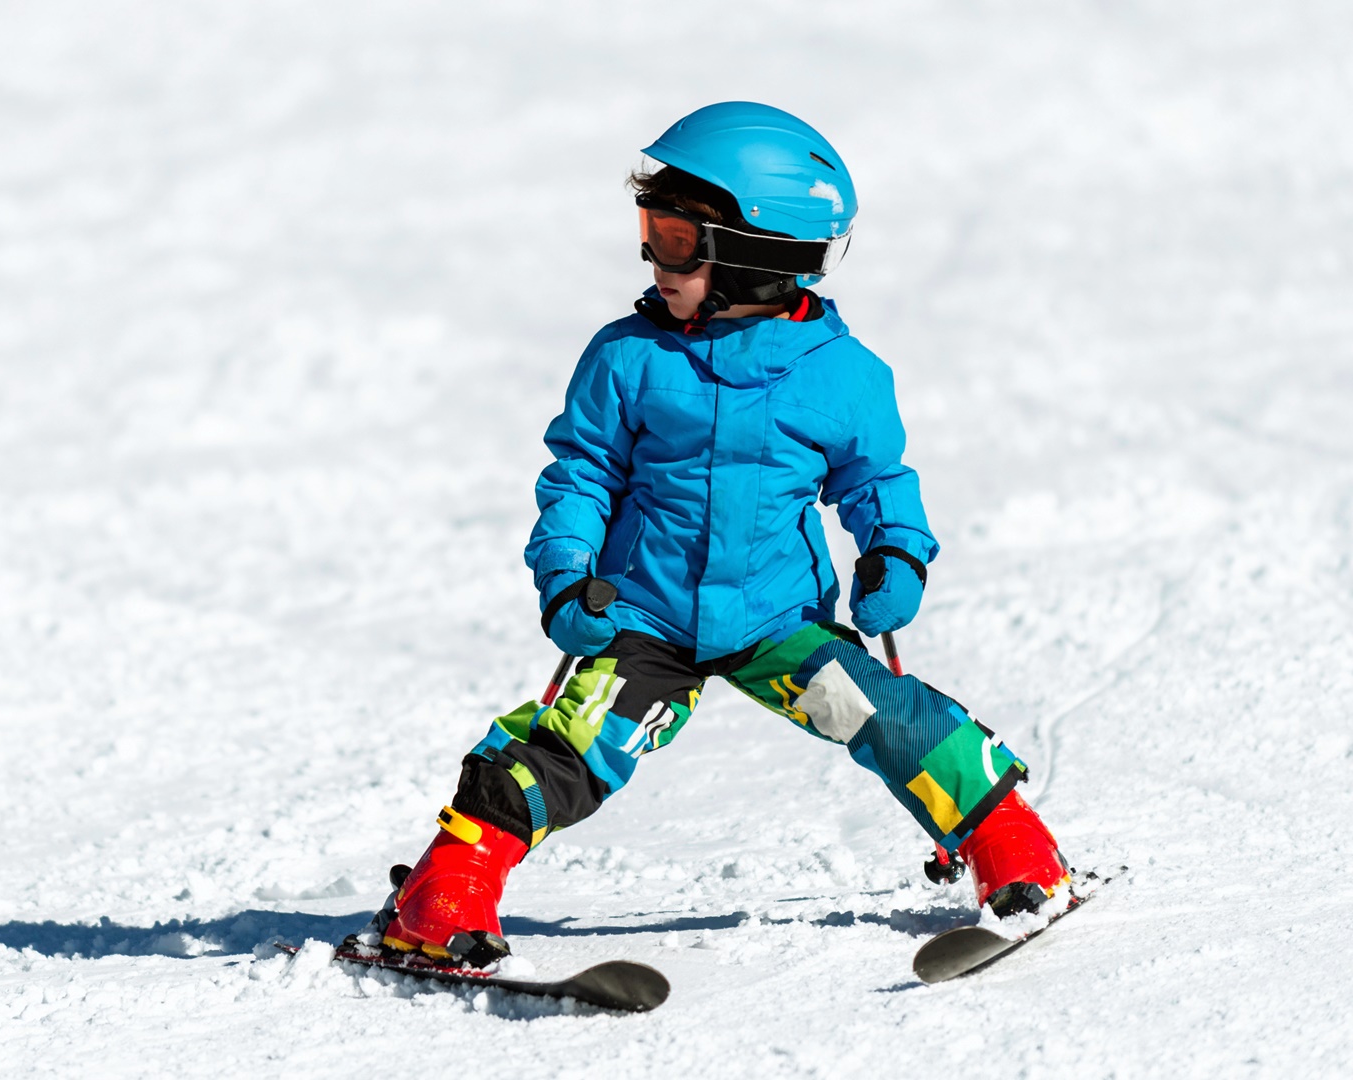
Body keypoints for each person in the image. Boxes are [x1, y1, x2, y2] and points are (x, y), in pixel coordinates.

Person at [351, 102, 1071, 969]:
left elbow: (877, 482)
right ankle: (442, 894)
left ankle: (1013, 849)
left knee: (893, 719)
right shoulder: (628, 357)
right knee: (570, 745)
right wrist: (567, 575)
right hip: (646, 616)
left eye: (677, 240)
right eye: (650, 232)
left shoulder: (841, 374)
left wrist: (895, 552)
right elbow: (581, 475)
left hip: (778, 621)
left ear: (757, 256)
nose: (654, 260)